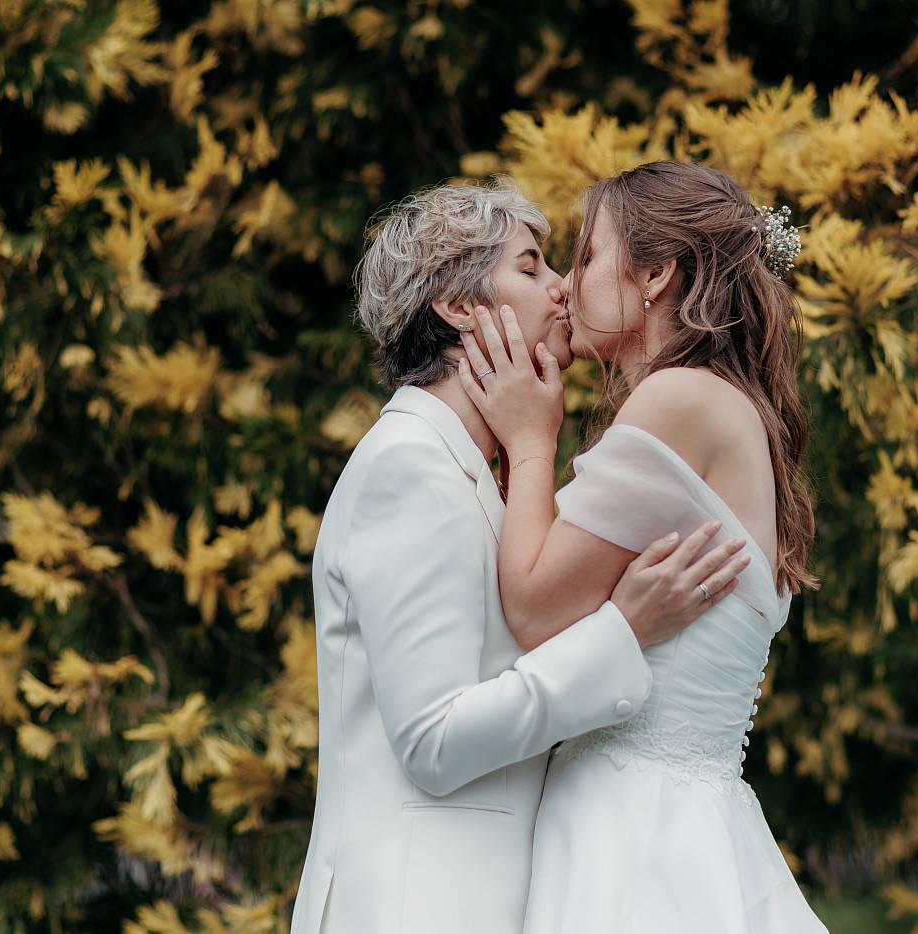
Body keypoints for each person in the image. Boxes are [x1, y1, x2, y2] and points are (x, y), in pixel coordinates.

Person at [288, 181, 752, 934]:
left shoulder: (476, 473)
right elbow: (434, 742)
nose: (563, 286)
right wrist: (623, 633)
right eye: (531, 267)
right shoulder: (407, 466)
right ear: (461, 306)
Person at [457, 161, 829, 932]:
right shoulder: (721, 406)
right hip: (690, 820)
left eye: (585, 257)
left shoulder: (679, 398)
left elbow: (531, 607)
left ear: (655, 275)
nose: (564, 285)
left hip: (632, 834)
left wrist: (533, 439)